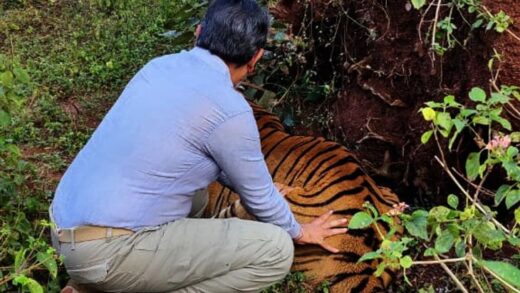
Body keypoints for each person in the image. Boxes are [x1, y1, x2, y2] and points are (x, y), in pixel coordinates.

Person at [50, 0, 347, 292]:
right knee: (276, 250)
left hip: (59, 232)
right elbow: (259, 197)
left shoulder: (157, 67)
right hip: (106, 254)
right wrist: (300, 231)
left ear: (199, 31)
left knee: (197, 197)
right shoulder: (231, 109)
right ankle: (110, 280)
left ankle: (90, 283)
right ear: (256, 57)